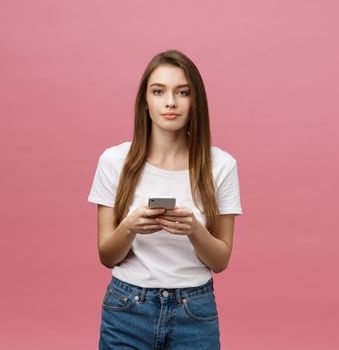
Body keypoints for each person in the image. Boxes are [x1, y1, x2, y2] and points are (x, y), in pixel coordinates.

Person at [87, 49, 242, 349]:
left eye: (182, 92)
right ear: (145, 101)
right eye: (159, 91)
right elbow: (107, 256)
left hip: (194, 311)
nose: (170, 102)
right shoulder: (113, 161)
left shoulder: (222, 165)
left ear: (195, 100)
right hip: (127, 309)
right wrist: (130, 227)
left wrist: (195, 230)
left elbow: (220, 260)